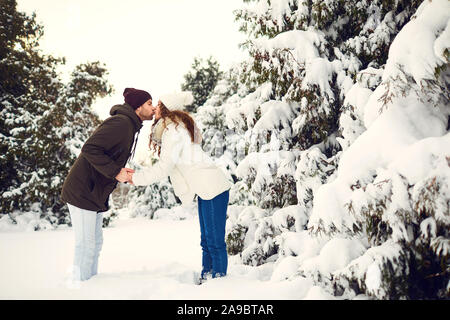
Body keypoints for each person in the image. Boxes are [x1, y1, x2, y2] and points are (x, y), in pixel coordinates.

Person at [129, 91, 233, 282]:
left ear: (167, 108)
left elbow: (164, 168)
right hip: (206, 189)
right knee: (206, 241)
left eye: (159, 104)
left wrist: (136, 178)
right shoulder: (174, 128)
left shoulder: (174, 131)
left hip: (213, 187)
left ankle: (219, 283)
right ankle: (207, 278)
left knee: (214, 242)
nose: (155, 108)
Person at [61, 87, 155, 281]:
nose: (153, 108)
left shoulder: (130, 126)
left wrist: (119, 171)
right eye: (149, 103)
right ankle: (78, 287)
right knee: (85, 244)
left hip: (94, 193)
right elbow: (90, 148)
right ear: (138, 107)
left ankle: (90, 283)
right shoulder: (121, 123)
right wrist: (116, 171)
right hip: (83, 190)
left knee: (95, 243)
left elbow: (108, 156)